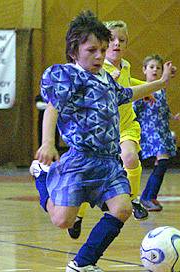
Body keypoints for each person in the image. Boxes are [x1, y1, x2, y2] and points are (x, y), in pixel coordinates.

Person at [33, 11, 176, 272]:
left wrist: (160, 83)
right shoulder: (69, 77)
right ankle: (41, 176)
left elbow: (129, 94)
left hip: (109, 162)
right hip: (80, 160)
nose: (99, 56)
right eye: (92, 50)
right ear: (74, 52)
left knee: (122, 209)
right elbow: (53, 108)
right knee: (62, 221)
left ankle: (83, 264)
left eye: (102, 49)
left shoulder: (107, 80)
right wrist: (48, 143)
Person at [66, 19, 149, 239]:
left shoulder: (126, 65)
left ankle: (134, 198)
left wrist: (146, 88)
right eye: (111, 39)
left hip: (126, 126)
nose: (116, 44)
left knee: (130, 158)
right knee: (90, 178)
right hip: (102, 133)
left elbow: (128, 82)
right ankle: (78, 216)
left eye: (122, 40)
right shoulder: (97, 67)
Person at [133, 54, 180, 211]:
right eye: (151, 67)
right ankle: (148, 197)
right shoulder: (141, 90)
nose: (155, 70)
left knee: (162, 163)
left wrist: (172, 116)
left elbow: (163, 108)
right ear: (144, 70)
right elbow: (134, 110)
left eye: (158, 68)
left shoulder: (161, 90)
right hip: (149, 132)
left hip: (162, 131)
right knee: (162, 161)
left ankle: (147, 197)